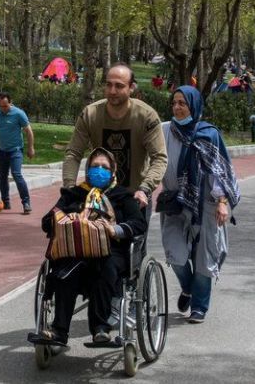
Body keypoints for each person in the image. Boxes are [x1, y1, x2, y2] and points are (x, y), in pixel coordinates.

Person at [38, 148, 148, 345]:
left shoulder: (122, 196)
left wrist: (116, 230)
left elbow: (139, 223)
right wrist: (65, 221)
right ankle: (59, 331)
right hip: (75, 253)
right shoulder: (73, 195)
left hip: (110, 252)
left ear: (113, 172)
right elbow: (47, 221)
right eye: (95, 166)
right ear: (88, 171)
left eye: (104, 167)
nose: (99, 170)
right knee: (65, 273)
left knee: (105, 269)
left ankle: (100, 328)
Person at [159, 85, 240, 323]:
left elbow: (221, 172)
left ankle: (199, 307)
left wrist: (223, 202)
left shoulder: (209, 134)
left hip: (207, 201)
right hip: (174, 200)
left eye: (182, 103)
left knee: (205, 258)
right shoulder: (164, 131)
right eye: (174, 103)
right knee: (176, 255)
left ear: (193, 105)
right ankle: (188, 287)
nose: (177, 107)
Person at [62, 63, 167, 207]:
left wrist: (145, 189)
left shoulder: (147, 117)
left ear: (131, 88)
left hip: (135, 197)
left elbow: (159, 158)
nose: (112, 91)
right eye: (109, 85)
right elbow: (73, 153)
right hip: (97, 197)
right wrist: (70, 188)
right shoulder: (90, 114)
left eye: (119, 86)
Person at [0, 92, 35, 214]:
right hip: (1, 151)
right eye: (1, 106)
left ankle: (26, 203)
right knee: (2, 176)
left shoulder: (19, 113)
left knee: (16, 174)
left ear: (10, 103)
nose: (3, 109)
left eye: (5, 106)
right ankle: (5, 201)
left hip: (15, 150)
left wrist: (31, 148)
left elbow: (28, 131)